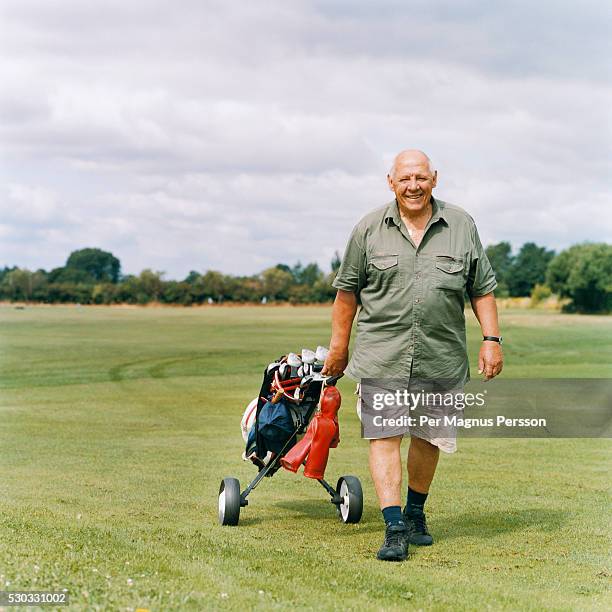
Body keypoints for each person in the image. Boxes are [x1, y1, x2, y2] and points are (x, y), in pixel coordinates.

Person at [321, 149, 503, 562]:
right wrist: (338, 347)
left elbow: (482, 289)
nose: (413, 186)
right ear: (391, 182)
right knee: (384, 436)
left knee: (428, 436)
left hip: (441, 357)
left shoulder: (461, 225)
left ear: (434, 178)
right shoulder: (368, 228)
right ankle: (394, 526)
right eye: (405, 179)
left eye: (420, 177)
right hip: (382, 355)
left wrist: (491, 339)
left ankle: (416, 512)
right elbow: (346, 294)